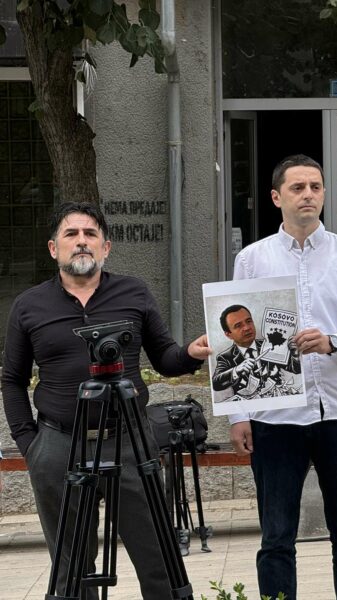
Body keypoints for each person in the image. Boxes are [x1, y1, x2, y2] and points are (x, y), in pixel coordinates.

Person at [1, 202, 212, 600]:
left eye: (91, 234)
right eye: (71, 234)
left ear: (106, 247)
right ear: (53, 248)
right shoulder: (29, 305)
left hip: (130, 442)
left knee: (158, 558)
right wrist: (31, 445)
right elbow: (12, 380)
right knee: (71, 571)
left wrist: (190, 353)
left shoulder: (134, 292)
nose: (81, 241)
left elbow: (165, 358)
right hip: (59, 445)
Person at [228, 154, 337, 600]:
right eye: (297, 188)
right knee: (277, 538)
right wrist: (238, 415)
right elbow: (234, 339)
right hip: (276, 416)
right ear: (276, 197)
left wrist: (334, 341)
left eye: (315, 187)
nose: (308, 195)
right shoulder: (251, 259)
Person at [212, 304, 300, 398]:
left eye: (249, 321)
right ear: (228, 334)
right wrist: (236, 370)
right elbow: (216, 384)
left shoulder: (270, 345)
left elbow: (296, 369)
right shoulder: (225, 357)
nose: (247, 328)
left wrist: (295, 355)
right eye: (238, 326)